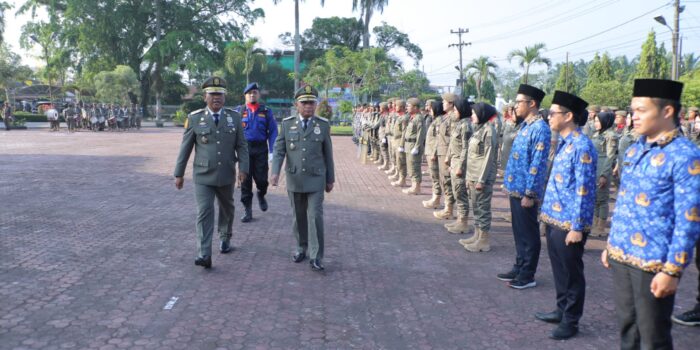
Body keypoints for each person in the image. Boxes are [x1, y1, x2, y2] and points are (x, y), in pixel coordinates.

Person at [602, 79, 700, 349]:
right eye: (633, 110)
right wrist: (612, 243)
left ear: (667, 111)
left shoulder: (686, 155)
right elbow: (623, 202)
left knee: (653, 338)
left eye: (641, 111)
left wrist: (673, 270)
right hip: (622, 255)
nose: (634, 117)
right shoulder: (636, 149)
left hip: (653, 263)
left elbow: (689, 218)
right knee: (627, 330)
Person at [536, 91, 597, 340]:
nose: (549, 117)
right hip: (553, 219)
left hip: (569, 224)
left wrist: (577, 227)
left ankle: (571, 321)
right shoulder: (564, 143)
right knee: (559, 270)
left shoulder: (582, 146)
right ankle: (561, 310)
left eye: (553, 113)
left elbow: (584, 190)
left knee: (572, 274)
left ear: (569, 116)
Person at [173, 76, 249, 269]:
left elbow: (242, 146)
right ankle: (204, 253)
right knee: (205, 211)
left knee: (227, 208)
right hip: (203, 175)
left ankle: (225, 236)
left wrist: (244, 169)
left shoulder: (234, 117)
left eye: (220, 94)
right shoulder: (195, 118)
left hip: (226, 174)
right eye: (212, 94)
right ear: (205, 96)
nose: (216, 98)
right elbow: (185, 148)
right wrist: (179, 173)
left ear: (225, 97)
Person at [271, 85, 335, 272]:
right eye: (304, 103)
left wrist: (330, 178)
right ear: (296, 105)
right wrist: (275, 172)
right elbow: (279, 150)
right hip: (295, 177)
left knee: (315, 216)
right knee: (298, 217)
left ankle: (316, 256)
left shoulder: (322, 125)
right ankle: (301, 247)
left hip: (316, 178)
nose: (308, 106)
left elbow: (328, 154)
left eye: (311, 102)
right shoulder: (287, 124)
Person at [498, 84, 550, 290]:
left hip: (526, 191)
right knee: (519, 231)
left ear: (532, 103)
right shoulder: (526, 126)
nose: (515, 105)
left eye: (519, 102)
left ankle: (528, 274)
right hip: (516, 188)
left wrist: (531, 193)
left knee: (529, 233)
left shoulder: (540, 128)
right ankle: (519, 266)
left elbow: (537, 164)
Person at [235, 83, 278, 223]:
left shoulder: (266, 111)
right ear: (245, 95)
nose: (252, 95)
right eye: (249, 93)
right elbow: (232, 133)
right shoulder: (239, 111)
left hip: (260, 149)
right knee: (245, 181)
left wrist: (272, 151)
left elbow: (273, 132)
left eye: (254, 92)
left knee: (261, 179)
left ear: (258, 94)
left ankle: (261, 193)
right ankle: (248, 210)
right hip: (244, 149)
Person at [459, 102, 498, 251]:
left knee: (482, 208)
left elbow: (488, 157)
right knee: (476, 207)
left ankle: (484, 240)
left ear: (482, 114)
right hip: (473, 175)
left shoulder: (489, 131)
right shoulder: (479, 129)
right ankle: (477, 235)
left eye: (474, 113)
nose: (472, 116)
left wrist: (481, 179)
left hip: (482, 178)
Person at [444, 98, 473, 234]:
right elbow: (453, 144)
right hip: (454, 161)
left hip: (460, 163)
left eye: (455, 110)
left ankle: (463, 222)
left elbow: (465, 148)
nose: (454, 112)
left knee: (460, 192)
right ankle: (459, 220)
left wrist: (460, 166)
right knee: (456, 191)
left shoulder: (466, 125)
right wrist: (449, 160)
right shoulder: (459, 124)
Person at [590, 111, 618, 237]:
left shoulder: (611, 135)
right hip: (594, 167)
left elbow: (610, 156)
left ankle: (601, 227)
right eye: (595, 121)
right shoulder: (596, 134)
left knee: (602, 199)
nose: (596, 123)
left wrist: (604, 175)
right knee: (595, 198)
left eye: (598, 121)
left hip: (603, 168)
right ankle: (595, 224)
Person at [433, 93, 457, 220]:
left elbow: (453, 139)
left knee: (447, 181)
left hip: (447, 152)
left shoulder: (453, 118)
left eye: (445, 102)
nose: (442, 104)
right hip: (441, 151)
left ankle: (449, 209)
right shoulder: (446, 117)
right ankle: (447, 207)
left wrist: (449, 156)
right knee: (443, 180)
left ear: (452, 104)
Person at [423, 100, 445, 209]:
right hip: (430, 151)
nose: (429, 110)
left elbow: (438, 139)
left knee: (436, 176)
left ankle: (436, 199)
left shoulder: (440, 121)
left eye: (431, 108)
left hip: (433, 153)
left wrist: (434, 153)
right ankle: (434, 197)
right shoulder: (435, 120)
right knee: (433, 176)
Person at [402, 98, 426, 195]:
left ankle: (416, 187)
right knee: (410, 166)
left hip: (414, 145)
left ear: (415, 107)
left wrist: (417, 147)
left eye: (409, 106)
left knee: (414, 166)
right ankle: (413, 185)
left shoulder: (419, 118)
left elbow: (421, 134)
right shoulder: (412, 117)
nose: (407, 108)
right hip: (408, 145)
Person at [389, 100, 408, 187]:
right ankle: (399, 176)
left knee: (401, 161)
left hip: (400, 141)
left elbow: (404, 132)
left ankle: (402, 179)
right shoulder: (400, 117)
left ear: (402, 107)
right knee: (397, 160)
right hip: (395, 140)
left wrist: (401, 144)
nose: (395, 107)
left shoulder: (404, 118)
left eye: (397, 106)